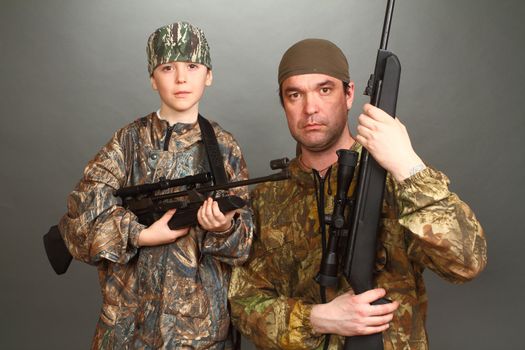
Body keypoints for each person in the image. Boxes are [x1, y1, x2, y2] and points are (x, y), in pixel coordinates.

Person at [228, 38, 487, 349]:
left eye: (325, 90)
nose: (311, 108)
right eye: (295, 95)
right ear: (283, 103)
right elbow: (243, 304)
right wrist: (316, 318)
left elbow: (466, 262)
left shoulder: (395, 177)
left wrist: (408, 165)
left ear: (349, 94)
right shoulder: (268, 197)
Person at [59, 21, 253, 349]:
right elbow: (80, 215)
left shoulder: (223, 148)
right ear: (153, 78)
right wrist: (141, 235)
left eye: (192, 66)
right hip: (125, 332)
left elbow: (245, 243)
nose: (181, 78)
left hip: (197, 337)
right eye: (167, 68)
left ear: (209, 75)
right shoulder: (128, 142)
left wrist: (222, 229)